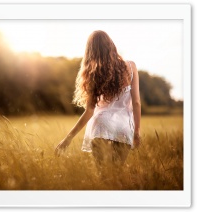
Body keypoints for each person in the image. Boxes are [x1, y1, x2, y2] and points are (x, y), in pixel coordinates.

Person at [55, 30, 141, 167]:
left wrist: (68, 138)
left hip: (101, 125)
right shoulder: (131, 67)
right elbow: (136, 102)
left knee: (103, 177)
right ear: (111, 45)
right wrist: (136, 131)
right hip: (123, 128)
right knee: (116, 175)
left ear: (90, 51)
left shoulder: (93, 73)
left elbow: (89, 110)